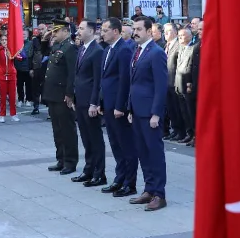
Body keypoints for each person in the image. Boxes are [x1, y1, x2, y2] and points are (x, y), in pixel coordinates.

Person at [128, 16, 169, 211]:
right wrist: (129, 108)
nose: (135, 32)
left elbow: (161, 87)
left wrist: (156, 114)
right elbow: (133, 83)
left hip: (150, 114)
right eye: (133, 29)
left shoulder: (156, 53)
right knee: (142, 152)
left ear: (149, 31)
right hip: (136, 111)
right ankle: (149, 189)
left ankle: (159, 194)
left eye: (138, 29)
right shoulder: (136, 51)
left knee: (154, 153)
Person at [99, 17, 138, 197]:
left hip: (118, 106)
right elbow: (104, 79)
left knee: (126, 145)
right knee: (115, 144)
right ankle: (119, 178)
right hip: (107, 104)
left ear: (116, 31)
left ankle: (130, 183)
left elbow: (124, 80)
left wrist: (120, 106)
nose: (102, 33)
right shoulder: (107, 50)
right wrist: (101, 102)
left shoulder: (123, 50)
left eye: (106, 30)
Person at [43, 19, 79, 174]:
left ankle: (70, 162)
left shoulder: (70, 48)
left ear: (65, 31)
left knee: (67, 130)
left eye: (56, 31)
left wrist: (70, 94)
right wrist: (45, 40)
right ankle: (61, 159)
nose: (53, 34)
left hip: (63, 95)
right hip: (53, 94)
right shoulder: (58, 46)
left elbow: (72, 74)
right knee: (57, 130)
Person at [72, 20, 106, 187]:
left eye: (81, 28)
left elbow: (97, 80)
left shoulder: (97, 51)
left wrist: (94, 103)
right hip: (80, 100)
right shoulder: (82, 49)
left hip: (90, 102)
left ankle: (100, 173)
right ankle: (88, 170)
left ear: (91, 31)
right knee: (86, 138)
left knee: (95, 138)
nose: (78, 31)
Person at [173, 28, 195, 145]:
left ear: (189, 36)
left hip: (187, 85)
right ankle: (188, 133)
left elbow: (190, 67)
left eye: (183, 35)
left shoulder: (192, 48)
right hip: (178, 84)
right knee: (183, 112)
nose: (180, 38)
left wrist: (189, 83)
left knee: (190, 112)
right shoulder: (181, 48)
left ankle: (193, 134)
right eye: (179, 36)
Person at [0, 33, 21, 123]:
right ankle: (2, 115)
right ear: (0, 41)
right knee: (3, 97)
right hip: (2, 76)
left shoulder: (12, 49)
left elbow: (20, 58)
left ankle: (13, 114)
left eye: (6, 40)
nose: (4, 41)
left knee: (12, 97)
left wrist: (12, 52)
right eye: (2, 40)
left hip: (12, 75)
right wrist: (3, 47)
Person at [163, 28, 182, 142]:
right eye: (165, 31)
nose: (165, 33)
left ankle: (181, 131)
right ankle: (175, 130)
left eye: (168, 31)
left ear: (175, 32)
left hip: (174, 82)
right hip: (167, 82)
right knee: (171, 109)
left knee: (177, 109)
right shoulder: (167, 45)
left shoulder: (177, 45)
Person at [185, 26, 201, 148]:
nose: (199, 32)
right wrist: (189, 81)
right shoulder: (197, 44)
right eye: (198, 29)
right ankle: (195, 135)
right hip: (195, 84)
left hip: (204, 86)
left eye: (201, 29)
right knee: (193, 112)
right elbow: (191, 64)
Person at [27, 32, 45, 115]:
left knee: (45, 89)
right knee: (35, 89)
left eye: (43, 29)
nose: (41, 31)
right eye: (39, 29)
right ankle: (36, 107)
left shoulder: (50, 40)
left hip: (46, 69)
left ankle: (49, 109)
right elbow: (30, 55)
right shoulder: (34, 41)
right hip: (36, 68)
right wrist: (30, 68)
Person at [15, 33, 32, 108]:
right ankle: (20, 99)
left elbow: (31, 55)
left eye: (25, 34)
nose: (23, 35)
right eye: (22, 34)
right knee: (19, 85)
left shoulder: (31, 43)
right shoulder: (17, 44)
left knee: (28, 85)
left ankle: (28, 99)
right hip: (19, 68)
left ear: (28, 35)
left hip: (28, 68)